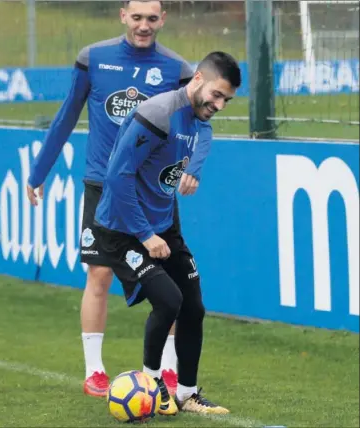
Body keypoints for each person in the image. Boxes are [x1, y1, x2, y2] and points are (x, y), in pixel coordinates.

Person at [27, 0, 212, 398]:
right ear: (122, 15)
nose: (143, 26)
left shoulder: (177, 69)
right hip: (102, 185)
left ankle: (168, 371)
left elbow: (200, 120)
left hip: (152, 191)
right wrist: (38, 171)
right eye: (137, 17)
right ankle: (94, 370)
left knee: (172, 281)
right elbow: (66, 116)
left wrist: (193, 166)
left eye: (151, 19)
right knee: (98, 274)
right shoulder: (93, 58)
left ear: (162, 19)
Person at [94, 51, 241, 415]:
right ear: (197, 80)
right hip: (122, 228)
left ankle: (187, 394)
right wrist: (145, 235)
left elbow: (204, 135)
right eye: (217, 95)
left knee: (193, 305)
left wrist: (197, 168)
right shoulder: (159, 113)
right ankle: (151, 382)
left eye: (227, 99)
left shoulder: (198, 119)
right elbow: (117, 175)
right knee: (169, 299)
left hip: (164, 224)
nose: (220, 105)